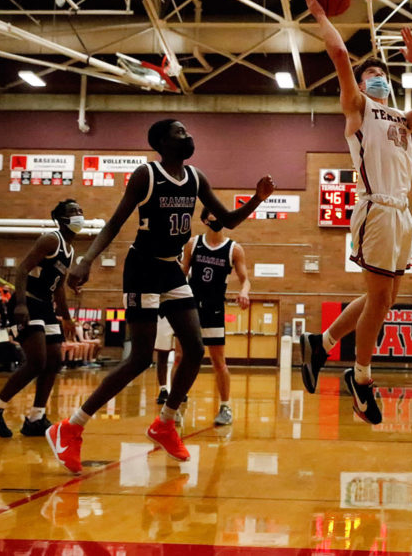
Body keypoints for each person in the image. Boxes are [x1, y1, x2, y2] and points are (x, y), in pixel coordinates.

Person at [46, 118, 275, 474]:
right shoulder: (146, 175)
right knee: (139, 358)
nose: (189, 136)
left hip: (170, 269)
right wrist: (87, 260)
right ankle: (70, 427)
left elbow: (228, 220)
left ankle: (165, 423)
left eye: (187, 132)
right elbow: (115, 222)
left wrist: (257, 200)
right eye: (180, 133)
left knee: (195, 349)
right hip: (142, 267)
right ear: (162, 144)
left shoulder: (196, 177)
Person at [298, 0, 412, 425]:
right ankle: (360, 380)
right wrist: (321, 15)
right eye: (372, 75)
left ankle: (320, 344)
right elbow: (341, 57)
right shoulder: (358, 109)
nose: (378, 77)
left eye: (383, 74)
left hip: (401, 213)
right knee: (379, 300)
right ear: (362, 85)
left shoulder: (401, 118)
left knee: (383, 299)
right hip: (376, 208)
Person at [0, 200, 82, 438]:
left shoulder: (70, 249)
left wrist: (67, 317)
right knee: (37, 361)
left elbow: (58, 287)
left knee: (54, 361)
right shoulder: (51, 239)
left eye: (80, 211)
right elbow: (22, 269)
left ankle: (36, 417)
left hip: (45, 306)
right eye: (73, 212)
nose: (79, 215)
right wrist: (21, 304)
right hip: (27, 302)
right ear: (60, 218)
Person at [180, 207, 252, 426]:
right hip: (190, 306)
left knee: (218, 361)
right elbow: (182, 273)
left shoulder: (234, 249)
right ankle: (174, 404)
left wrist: (244, 292)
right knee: (180, 357)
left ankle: (225, 407)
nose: (218, 218)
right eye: (213, 214)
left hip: (214, 309)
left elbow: (245, 279)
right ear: (204, 220)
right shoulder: (193, 244)